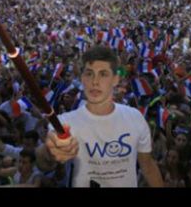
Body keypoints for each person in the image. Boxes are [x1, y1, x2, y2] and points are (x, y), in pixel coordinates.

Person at [40, 46, 164, 187]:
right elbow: (43, 160)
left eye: (103, 74)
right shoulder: (65, 122)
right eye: (89, 73)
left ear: (115, 79)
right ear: (82, 78)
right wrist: (50, 151)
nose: (95, 81)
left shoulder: (135, 117)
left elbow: (147, 166)